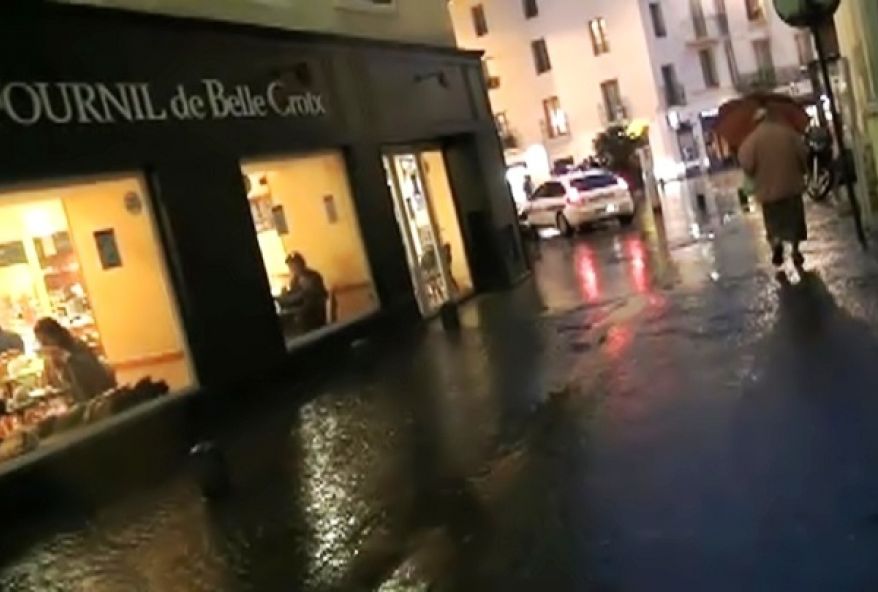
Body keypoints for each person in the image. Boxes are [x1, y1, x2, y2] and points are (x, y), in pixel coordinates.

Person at [738, 108, 809, 268]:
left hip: (768, 192)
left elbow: (746, 164)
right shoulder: (788, 133)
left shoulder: (752, 140)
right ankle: (796, 250)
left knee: (774, 223)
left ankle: (776, 242)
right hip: (791, 186)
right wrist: (803, 170)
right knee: (794, 221)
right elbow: (803, 154)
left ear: (756, 122)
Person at [34, 318, 116, 403]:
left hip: (95, 400)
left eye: (45, 340)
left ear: (55, 335)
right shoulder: (50, 359)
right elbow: (50, 383)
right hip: (70, 402)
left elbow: (93, 375)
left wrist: (66, 357)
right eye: (41, 342)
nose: (44, 345)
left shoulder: (77, 347)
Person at [278, 252, 329, 333]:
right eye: (290, 266)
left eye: (295, 265)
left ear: (302, 263)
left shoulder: (312, 276)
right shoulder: (295, 279)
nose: (293, 268)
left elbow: (307, 296)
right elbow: (294, 293)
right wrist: (285, 294)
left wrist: (290, 300)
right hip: (303, 310)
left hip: (314, 315)